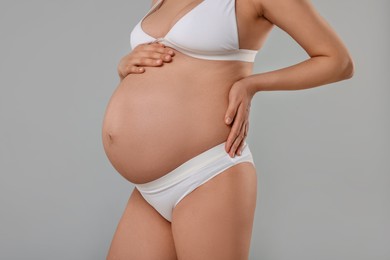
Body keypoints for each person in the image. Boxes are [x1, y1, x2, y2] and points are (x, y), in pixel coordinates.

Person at [102, 0, 354, 259]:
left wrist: (252, 84)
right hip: (148, 190)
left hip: (206, 175)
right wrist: (126, 68)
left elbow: (338, 61)